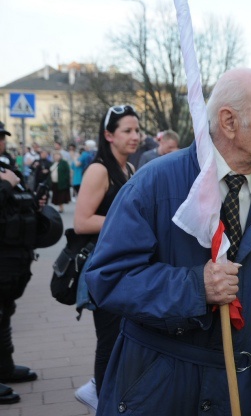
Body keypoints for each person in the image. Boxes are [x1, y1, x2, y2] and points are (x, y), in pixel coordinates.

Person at [84, 68, 251, 415]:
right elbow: (108, 279)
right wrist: (194, 287)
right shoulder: (154, 184)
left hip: (248, 391)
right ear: (229, 122)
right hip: (162, 393)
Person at [72, 105, 140, 412]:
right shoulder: (99, 169)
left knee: (123, 337)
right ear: (109, 135)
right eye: (127, 130)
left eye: (137, 130)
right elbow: (82, 222)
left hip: (125, 267)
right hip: (103, 269)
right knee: (110, 339)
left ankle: (107, 393)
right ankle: (100, 398)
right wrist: (127, 221)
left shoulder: (129, 169)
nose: (135, 136)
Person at [0, 126, 63, 405]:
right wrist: (7, 185)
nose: (1, 142)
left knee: (5, 312)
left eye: (2, 137)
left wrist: (34, 204)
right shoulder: (6, 176)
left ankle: (4, 367)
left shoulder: (8, 167)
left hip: (14, 257)